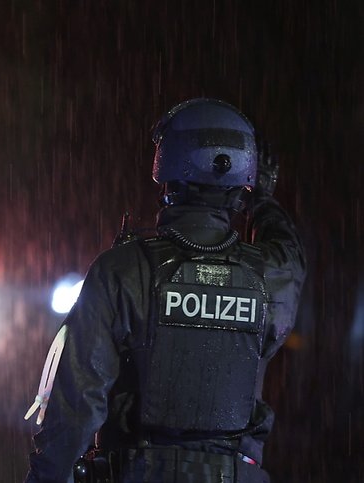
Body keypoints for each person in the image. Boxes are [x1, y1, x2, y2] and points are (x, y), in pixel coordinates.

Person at [23, 98, 306, 483]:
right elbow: (290, 253)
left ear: (167, 168)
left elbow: (77, 405)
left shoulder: (122, 269)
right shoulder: (271, 277)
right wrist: (264, 202)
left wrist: (47, 476)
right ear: (244, 180)